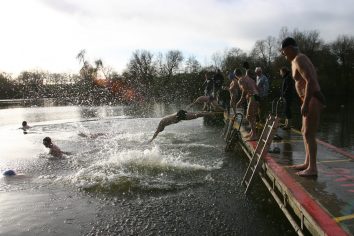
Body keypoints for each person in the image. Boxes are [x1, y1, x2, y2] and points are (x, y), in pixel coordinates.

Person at [281, 37, 326, 177]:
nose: (283, 55)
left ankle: (313, 168)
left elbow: (311, 81)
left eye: (283, 51)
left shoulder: (299, 59)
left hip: (312, 98)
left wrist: (305, 103)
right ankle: (307, 163)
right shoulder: (298, 59)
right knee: (304, 131)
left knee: (308, 133)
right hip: (308, 98)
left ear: (288, 48)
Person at [148, 110, 218, 143]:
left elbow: (156, 132)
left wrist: (151, 140)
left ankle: (209, 114)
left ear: (161, 128)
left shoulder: (161, 124)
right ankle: (206, 112)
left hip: (179, 116)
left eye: (161, 129)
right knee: (195, 114)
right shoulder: (163, 121)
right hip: (179, 113)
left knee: (196, 116)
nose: (162, 129)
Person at [235, 68, 260, 141]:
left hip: (253, 97)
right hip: (256, 96)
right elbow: (256, 87)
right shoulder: (247, 78)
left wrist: (240, 101)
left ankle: (254, 135)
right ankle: (252, 132)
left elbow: (244, 90)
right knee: (252, 116)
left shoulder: (240, 80)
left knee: (249, 116)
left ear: (236, 75)